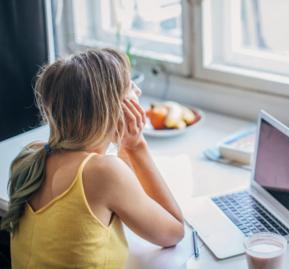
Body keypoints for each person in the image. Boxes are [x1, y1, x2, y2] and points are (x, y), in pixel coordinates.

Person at [0, 48, 185, 268]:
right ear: (113, 108)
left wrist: (125, 147)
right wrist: (137, 147)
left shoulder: (31, 156)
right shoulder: (102, 173)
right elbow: (174, 231)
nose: (138, 92)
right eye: (130, 87)